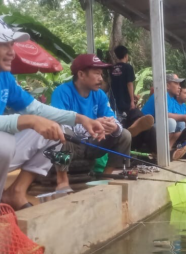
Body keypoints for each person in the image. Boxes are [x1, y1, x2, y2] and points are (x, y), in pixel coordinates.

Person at [0, 22, 104, 210]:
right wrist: (28, 120)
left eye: (12, 45)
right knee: (4, 143)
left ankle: (15, 192)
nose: (12, 52)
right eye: (3, 45)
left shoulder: (5, 76)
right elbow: (31, 117)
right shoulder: (63, 91)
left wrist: (80, 118)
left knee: (57, 131)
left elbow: (35, 109)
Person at [51, 54, 132, 191]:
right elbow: (59, 124)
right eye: (96, 74)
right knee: (62, 136)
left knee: (124, 134)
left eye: (101, 74)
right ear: (81, 74)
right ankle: (62, 180)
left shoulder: (99, 94)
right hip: (72, 145)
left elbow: (113, 119)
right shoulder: (62, 92)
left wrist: (112, 127)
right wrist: (93, 124)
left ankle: (106, 175)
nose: (101, 78)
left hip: (93, 143)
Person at [109, 45, 136, 115]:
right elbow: (129, 84)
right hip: (125, 100)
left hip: (114, 99)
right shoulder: (128, 67)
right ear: (126, 55)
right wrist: (132, 101)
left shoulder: (112, 68)